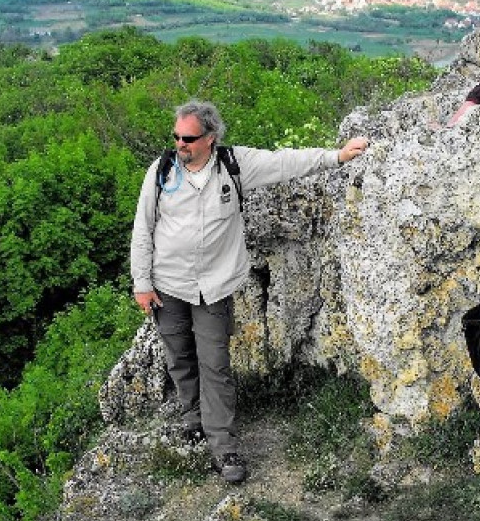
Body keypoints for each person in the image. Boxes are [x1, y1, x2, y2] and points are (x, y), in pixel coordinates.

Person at [130, 100, 369, 483]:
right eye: (176, 136)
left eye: (188, 138)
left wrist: (336, 157)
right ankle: (193, 419)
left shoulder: (233, 166)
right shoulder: (160, 172)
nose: (179, 144)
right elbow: (143, 229)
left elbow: (284, 163)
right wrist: (142, 283)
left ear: (210, 138)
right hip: (168, 284)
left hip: (214, 287)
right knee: (178, 357)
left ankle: (223, 446)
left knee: (216, 365)